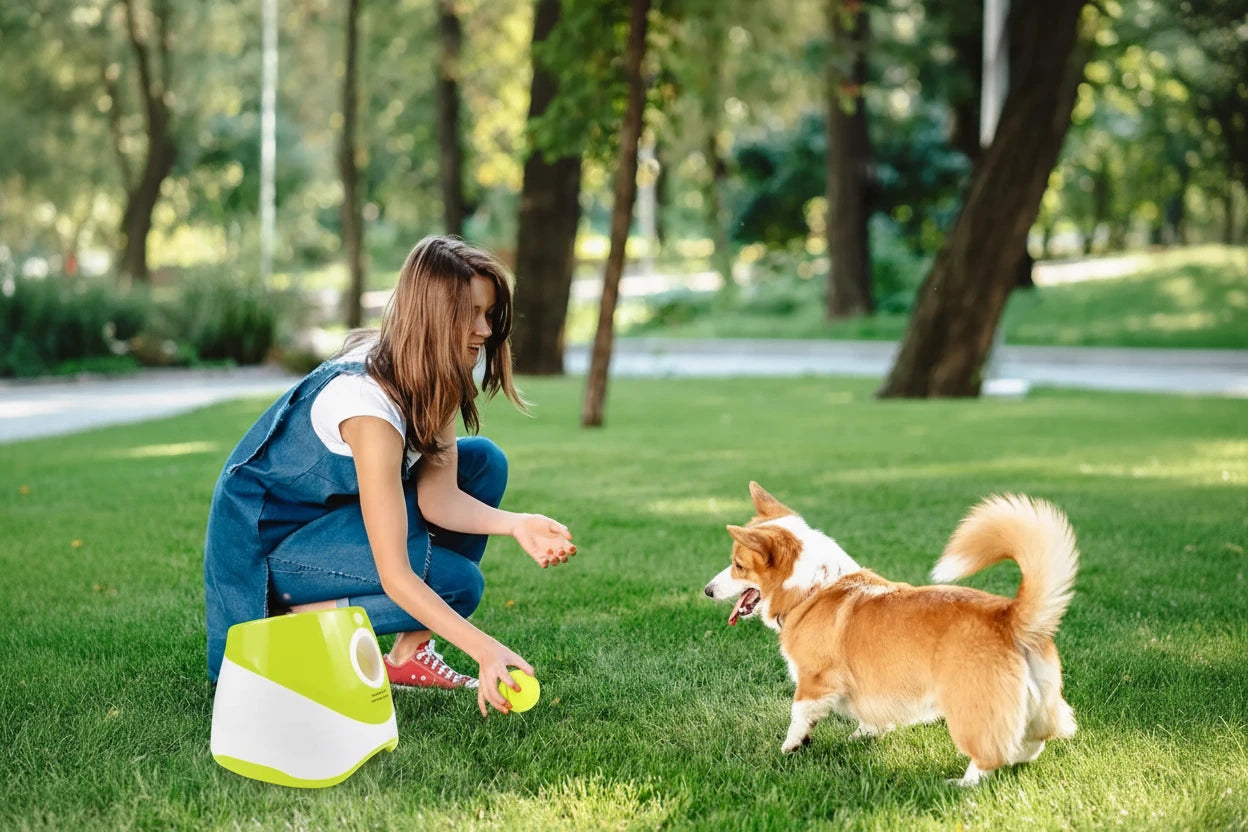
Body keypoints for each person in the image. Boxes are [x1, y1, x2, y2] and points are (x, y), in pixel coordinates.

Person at [203, 235, 576, 717]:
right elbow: (394, 574)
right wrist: (484, 649)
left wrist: (516, 523)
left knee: (483, 461)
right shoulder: (368, 408)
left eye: (490, 314)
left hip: (325, 522)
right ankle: (293, 619)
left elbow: (438, 501)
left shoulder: (430, 373)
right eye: (473, 314)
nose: (485, 330)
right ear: (433, 316)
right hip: (266, 548)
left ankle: (408, 656)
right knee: (458, 584)